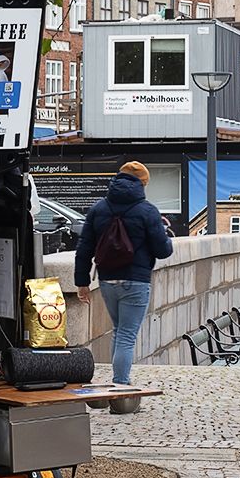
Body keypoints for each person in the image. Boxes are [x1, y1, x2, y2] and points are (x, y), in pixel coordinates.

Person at [74, 161, 173, 386]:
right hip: (136, 280)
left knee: (119, 332)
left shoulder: (98, 208)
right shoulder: (147, 211)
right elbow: (163, 250)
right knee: (127, 336)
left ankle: (119, 383)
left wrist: (82, 282)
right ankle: (120, 386)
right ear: (142, 184)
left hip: (107, 280)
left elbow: (84, 248)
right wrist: (164, 235)